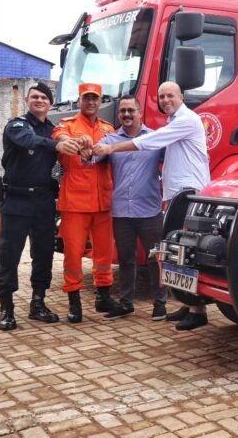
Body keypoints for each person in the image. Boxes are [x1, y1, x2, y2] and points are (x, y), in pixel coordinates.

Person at [93, 81, 210, 330]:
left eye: (170, 95)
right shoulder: (174, 122)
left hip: (188, 193)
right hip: (176, 195)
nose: (166, 100)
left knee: (186, 253)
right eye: (162, 96)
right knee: (178, 253)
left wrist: (112, 147)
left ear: (182, 96)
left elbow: (149, 142)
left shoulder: (185, 120)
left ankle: (198, 311)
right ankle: (189, 305)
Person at [0, 82, 80, 331]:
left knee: (43, 255)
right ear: (27, 100)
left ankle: (38, 303)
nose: (40, 100)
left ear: (51, 104)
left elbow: (62, 163)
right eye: (35, 97)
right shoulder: (17, 125)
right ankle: (6, 309)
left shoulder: (54, 130)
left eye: (44, 97)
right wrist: (56, 145)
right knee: (9, 256)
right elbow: (28, 141)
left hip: (44, 202)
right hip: (17, 200)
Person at [84, 95, 167, 321]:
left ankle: (161, 303)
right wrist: (85, 150)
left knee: (155, 258)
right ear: (119, 115)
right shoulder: (109, 140)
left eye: (131, 110)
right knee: (126, 260)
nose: (127, 115)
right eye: (123, 111)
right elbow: (91, 160)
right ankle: (126, 303)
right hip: (121, 211)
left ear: (141, 113)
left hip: (150, 210)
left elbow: (174, 160)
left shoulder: (155, 139)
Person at [53, 83, 118, 323]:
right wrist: (71, 142)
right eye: (86, 98)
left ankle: (103, 296)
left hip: (103, 201)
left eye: (95, 99)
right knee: (73, 254)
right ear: (80, 100)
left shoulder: (108, 128)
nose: (91, 102)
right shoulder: (67, 125)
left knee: (104, 253)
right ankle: (74, 302)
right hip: (75, 203)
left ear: (100, 102)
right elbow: (58, 136)